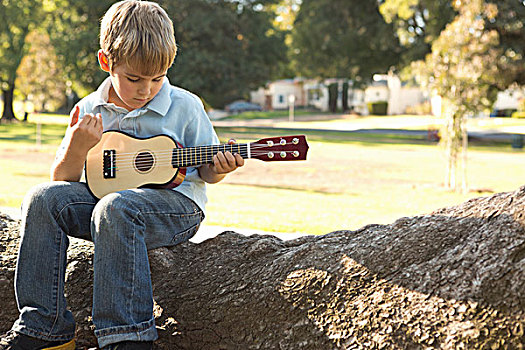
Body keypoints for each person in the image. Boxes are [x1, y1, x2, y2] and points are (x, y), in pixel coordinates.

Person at [0, 1, 244, 349]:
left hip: (175, 208)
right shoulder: (88, 109)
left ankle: (127, 336)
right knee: (41, 198)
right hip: (107, 208)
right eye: (134, 78)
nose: (146, 90)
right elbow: (62, 181)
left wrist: (219, 168)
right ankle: (44, 329)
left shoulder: (185, 106)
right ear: (106, 62)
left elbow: (205, 171)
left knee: (116, 207)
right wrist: (77, 146)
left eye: (157, 78)